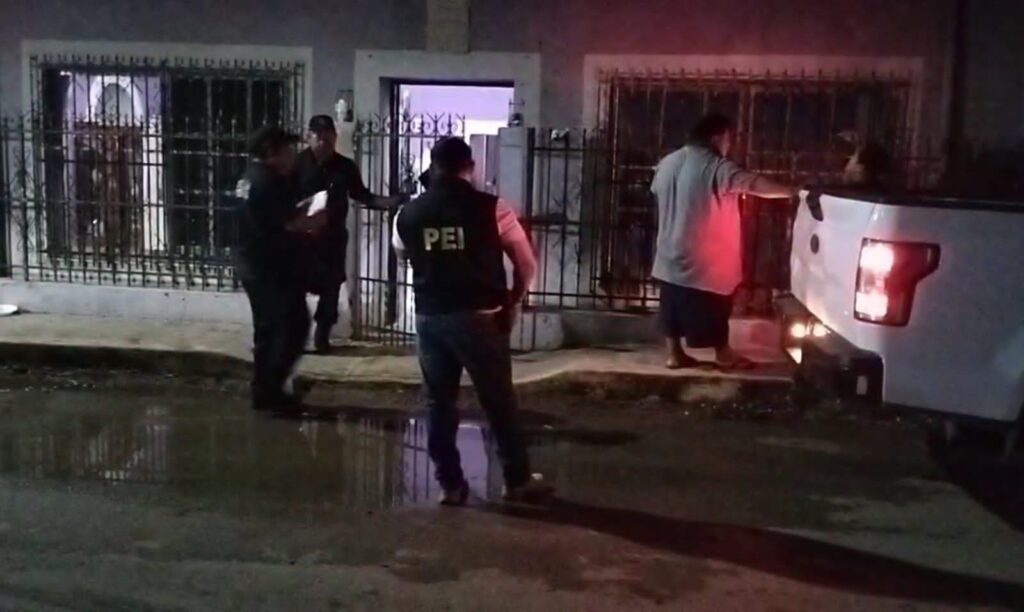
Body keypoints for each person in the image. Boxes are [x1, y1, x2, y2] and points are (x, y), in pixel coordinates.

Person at [392, 137, 551, 506]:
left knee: (438, 403)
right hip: (481, 317)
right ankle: (517, 481)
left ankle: (450, 484)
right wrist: (513, 300)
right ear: (470, 167)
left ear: (433, 166)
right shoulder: (493, 208)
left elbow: (403, 256)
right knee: (498, 401)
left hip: (430, 318)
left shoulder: (407, 214)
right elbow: (526, 263)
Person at [651, 114, 797, 370]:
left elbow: (655, 190)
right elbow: (752, 183)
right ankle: (723, 353)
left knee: (671, 306)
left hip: (668, 253)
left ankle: (674, 354)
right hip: (703, 261)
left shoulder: (668, 162)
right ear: (717, 138)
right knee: (715, 308)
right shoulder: (716, 167)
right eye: (729, 139)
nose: (730, 145)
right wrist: (793, 192)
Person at [294, 115, 406, 354]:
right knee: (295, 287)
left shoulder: (344, 167)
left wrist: (393, 201)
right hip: (301, 238)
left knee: (331, 287)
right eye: (319, 136)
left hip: (332, 239)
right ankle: (294, 336)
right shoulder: (297, 165)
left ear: (335, 137)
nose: (324, 142)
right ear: (308, 136)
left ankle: (322, 337)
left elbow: (363, 195)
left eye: (329, 137)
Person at [236, 125, 325, 412]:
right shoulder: (268, 180)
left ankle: (263, 392)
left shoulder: (250, 177)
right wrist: (315, 220)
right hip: (270, 269)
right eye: (287, 149)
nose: (292, 154)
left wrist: (300, 210)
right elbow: (287, 223)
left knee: (267, 331)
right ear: (272, 152)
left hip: (254, 264)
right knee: (294, 326)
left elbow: (271, 218)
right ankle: (271, 391)